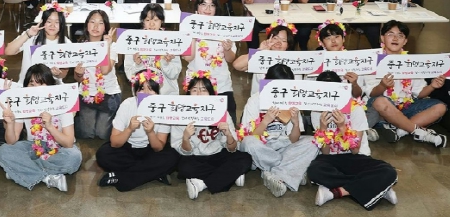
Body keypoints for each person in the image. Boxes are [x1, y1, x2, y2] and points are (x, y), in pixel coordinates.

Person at [307, 71, 398, 210]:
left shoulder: (355, 108)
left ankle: (337, 192)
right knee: (314, 171)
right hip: (331, 159)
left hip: (357, 157)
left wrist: (342, 127)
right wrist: (323, 129)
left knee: (388, 171)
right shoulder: (316, 111)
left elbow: (355, 150)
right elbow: (325, 153)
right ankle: (378, 187)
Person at [0, 63, 82, 192]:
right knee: (3, 151)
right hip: (34, 146)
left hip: (60, 148)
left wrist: (50, 126)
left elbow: (68, 143)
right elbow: (11, 141)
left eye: (41, 83)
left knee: (74, 156)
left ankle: (22, 170)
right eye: (32, 84)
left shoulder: (63, 102)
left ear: (50, 85)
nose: (36, 88)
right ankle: (48, 177)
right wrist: (10, 123)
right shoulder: (22, 103)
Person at [362, 20, 448, 147]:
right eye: (390, 34)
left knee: (440, 107)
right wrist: (383, 86)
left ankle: (400, 130)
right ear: (382, 38)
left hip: (406, 107)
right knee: (380, 102)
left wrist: (432, 86)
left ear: (405, 41)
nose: (395, 38)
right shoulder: (372, 61)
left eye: (400, 35)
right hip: (382, 111)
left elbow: (419, 94)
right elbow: (372, 93)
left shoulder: (411, 62)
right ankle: (419, 132)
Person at [239, 64, 318, 197]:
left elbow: (293, 140)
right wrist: (265, 121)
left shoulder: (292, 101)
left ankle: (274, 173)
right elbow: (250, 136)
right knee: (249, 142)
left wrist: (296, 123)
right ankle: (289, 170)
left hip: (284, 146)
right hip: (262, 147)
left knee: (313, 142)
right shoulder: (255, 100)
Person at [96, 69, 181, 191]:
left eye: (150, 89)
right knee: (103, 155)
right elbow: (114, 142)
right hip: (127, 148)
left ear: (157, 91)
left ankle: (121, 177)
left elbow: (158, 147)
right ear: (135, 91)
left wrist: (150, 132)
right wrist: (129, 129)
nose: (146, 93)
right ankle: (153, 173)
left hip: (150, 150)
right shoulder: (127, 105)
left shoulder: (164, 108)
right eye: (141, 89)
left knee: (173, 156)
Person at [173, 71, 252, 199]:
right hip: (195, 157)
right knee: (183, 168)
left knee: (245, 159)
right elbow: (184, 151)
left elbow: (232, 148)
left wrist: (228, 135)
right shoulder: (180, 114)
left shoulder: (221, 111)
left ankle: (201, 184)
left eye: (204, 90)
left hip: (219, 154)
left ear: (211, 93)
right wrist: (185, 138)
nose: (199, 94)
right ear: (188, 93)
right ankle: (230, 175)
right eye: (194, 90)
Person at [184, 0, 238, 125]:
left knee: (228, 125)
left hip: (222, 84)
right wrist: (193, 33)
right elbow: (188, 58)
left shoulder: (225, 28)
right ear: (197, 7)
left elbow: (231, 59)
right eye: (203, 4)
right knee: (195, 125)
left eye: (212, 5)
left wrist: (227, 49)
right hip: (196, 86)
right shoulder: (187, 28)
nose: (208, 9)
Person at [73, 10, 120, 140]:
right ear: (87, 25)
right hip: (86, 94)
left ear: (105, 27)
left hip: (108, 94)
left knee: (102, 134)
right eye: (92, 22)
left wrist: (106, 46)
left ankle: (116, 118)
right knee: (86, 134)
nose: (95, 26)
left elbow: (105, 71)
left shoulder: (112, 46)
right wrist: (78, 74)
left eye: (100, 23)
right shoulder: (80, 47)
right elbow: (77, 78)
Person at [123, 4, 182, 95]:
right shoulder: (134, 41)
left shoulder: (171, 41)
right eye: (147, 20)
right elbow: (129, 75)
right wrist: (137, 65)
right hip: (143, 94)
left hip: (167, 94)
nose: (151, 24)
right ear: (143, 21)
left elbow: (175, 74)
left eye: (156, 20)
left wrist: (166, 64)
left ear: (161, 21)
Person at [5, 5, 71, 85]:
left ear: (62, 24)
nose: (52, 25)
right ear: (43, 22)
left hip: (51, 86)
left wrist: (57, 74)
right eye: (49, 21)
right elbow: (8, 51)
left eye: (57, 22)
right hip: (28, 85)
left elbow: (64, 73)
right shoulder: (31, 36)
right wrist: (28, 34)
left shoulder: (66, 43)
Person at [233, 21, 298, 93]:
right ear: (269, 39)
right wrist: (259, 51)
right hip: (259, 99)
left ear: (288, 45)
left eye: (284, 40)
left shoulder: (296, 60)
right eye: (275, 38)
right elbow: (237, 65)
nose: (278, 42)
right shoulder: (261, 56)